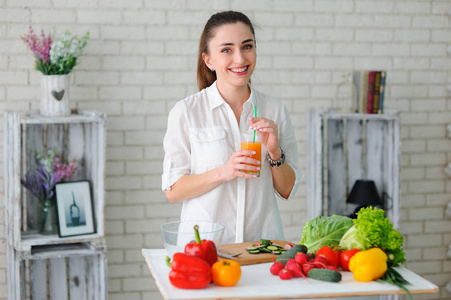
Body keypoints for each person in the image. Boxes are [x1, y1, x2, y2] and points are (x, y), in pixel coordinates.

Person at [162, 11, 302, 244]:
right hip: (205, 248)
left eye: (247, 46)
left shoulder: (274, 110)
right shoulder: (187, 112)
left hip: (262, 246)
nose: (240, 59)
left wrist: (275, 153)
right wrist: (223, 172)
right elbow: (173, 190)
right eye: (226, 49)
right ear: (208, 60)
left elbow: (287, 190)